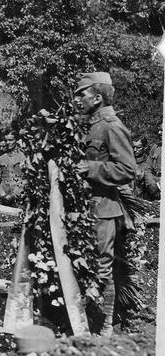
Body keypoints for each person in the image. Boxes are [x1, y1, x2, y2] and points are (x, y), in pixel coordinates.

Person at [72, 72, 136, 336]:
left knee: (101, 267)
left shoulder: (111, 125)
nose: (76, 99)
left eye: (81, 94)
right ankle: (85, 325)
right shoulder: (89, 126)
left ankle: (106, 328)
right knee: (84, 265)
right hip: (85, 208)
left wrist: (90, 167)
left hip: (103, 208)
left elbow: (127, 169)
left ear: (97, 98)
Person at [0, 129, 25, 205]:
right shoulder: (0, 159)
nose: (8, 143)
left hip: (20, 197)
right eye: (6, 140)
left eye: (11, 140)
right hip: (3, 199)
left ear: (16, 140)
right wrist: (2, 194)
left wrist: (14, 195)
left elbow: (26, 179)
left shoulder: (23, 157)